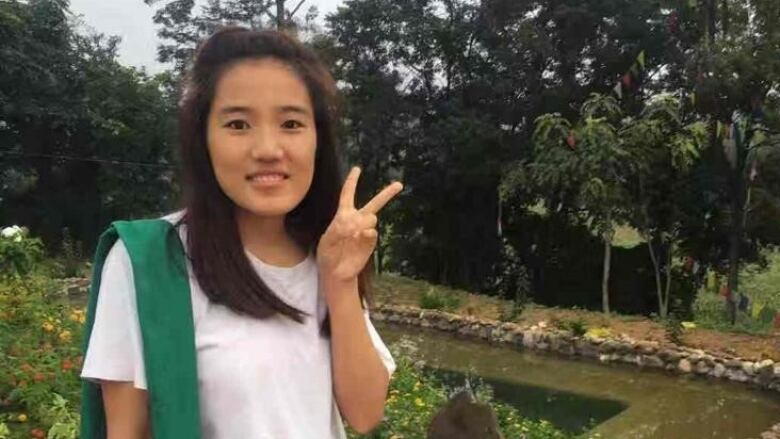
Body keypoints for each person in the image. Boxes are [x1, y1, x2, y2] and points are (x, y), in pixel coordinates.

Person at [80, 26, 403, 439]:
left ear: (317, 140)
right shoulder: (148, 262)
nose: (268, 148)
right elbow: (126, 432)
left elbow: (365, 413)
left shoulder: (327, 256)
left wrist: (340, 285)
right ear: (204, 139)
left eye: (291, 123)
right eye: (238, 124)